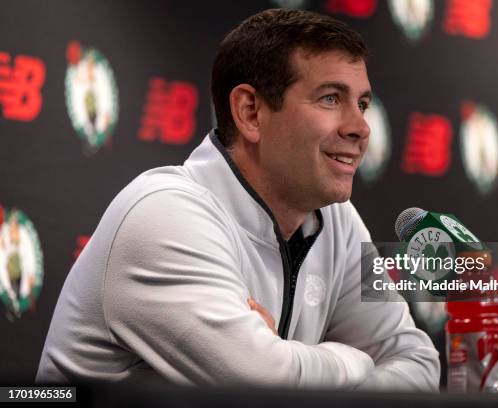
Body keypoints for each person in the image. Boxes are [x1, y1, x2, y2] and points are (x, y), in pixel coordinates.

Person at [37, 9, 440, 390]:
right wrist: (354, 360)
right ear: (250, 112)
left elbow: (418, 364)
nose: (360, 128)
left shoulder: (338, 222)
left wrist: (295, 362)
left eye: (363, 104)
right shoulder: (165, 214)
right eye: (330, 99)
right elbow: (264, 387)